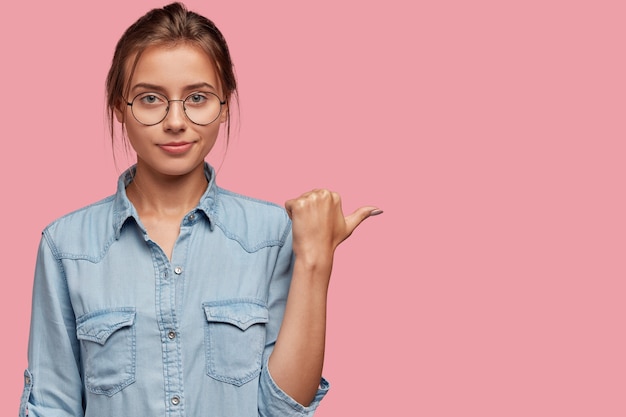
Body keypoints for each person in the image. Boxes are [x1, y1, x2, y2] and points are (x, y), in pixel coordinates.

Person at [19, 2, 381, 417]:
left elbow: (283, 410)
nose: (176, 120)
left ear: (224, 106)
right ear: (120, 107)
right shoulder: (66, 246)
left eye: (198, 97)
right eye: (150, 98)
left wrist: (316, 261)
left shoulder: (272, 236)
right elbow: (52, 407)